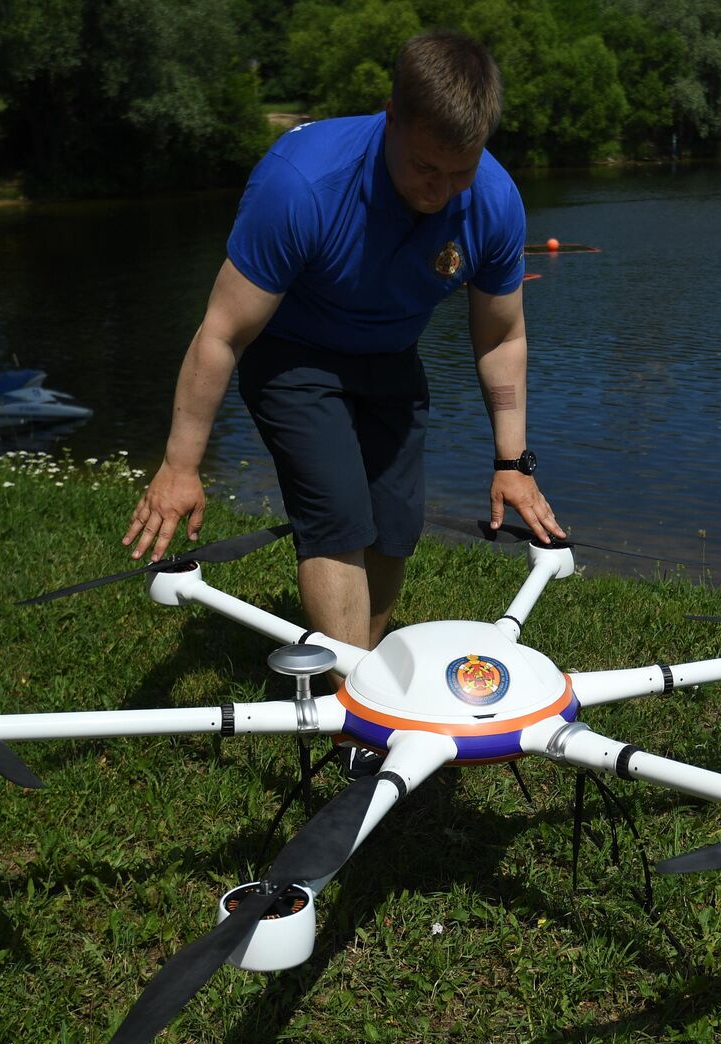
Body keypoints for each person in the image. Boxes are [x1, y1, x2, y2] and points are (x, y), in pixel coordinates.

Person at [121, 29, 563, 654]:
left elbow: (500, 335)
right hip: (292, 355)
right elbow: (222, 333)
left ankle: (360, 678)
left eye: (458, 171)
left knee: (393, 529)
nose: (439, 190)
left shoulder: (493, 201)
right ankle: (354, 711)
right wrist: (181, 465)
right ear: (391, 120)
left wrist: (511, 463)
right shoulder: (301, 185)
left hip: (391, 358)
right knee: (338, 518)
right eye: (423, 167)